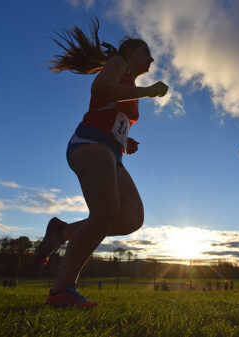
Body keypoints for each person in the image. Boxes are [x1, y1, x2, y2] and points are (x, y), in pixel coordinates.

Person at [34, 18, 168, 308]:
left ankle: (61, 231)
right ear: (131, 53)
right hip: (90, 143)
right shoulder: (119, 63)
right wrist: (147, 91)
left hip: (111, 149)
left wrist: (125, 139)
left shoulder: (129, 79)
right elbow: (102, 88)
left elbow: (111, 110)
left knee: (131, 217)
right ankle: (62, 291)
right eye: (147, 51)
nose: (152, 58)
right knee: (106, 212)